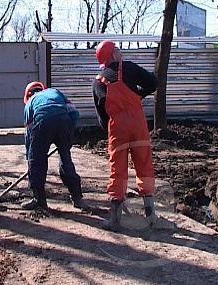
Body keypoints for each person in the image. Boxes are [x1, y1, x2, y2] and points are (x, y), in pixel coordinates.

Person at [92, 40, 158, 231]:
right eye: (118, 50)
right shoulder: (128, 68)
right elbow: (153, 83)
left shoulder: (98, 83)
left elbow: (102, 117)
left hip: (117, 128)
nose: (121, 53)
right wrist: (140, 95)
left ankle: (115, 219)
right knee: (144, 164)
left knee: (117, 169)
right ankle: (151, 215)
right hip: (138, 124)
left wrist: (112, 133)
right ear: (112, 55)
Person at [21, 81, 88, 211]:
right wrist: (67, 136)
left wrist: (30, 157)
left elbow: (29, 134)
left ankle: (39, 200)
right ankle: (77, 198)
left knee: (37, 160)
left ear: (28, 96)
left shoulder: (30, 103)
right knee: (66, 159)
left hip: (43, 122)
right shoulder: (55, 92)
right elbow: (74, 114)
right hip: (64, 122)